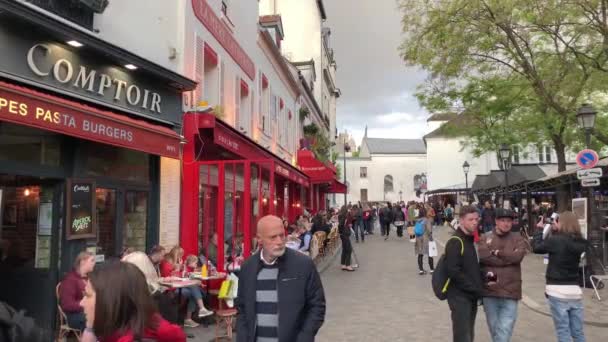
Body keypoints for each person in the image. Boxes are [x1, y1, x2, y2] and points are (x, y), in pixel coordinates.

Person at [236, 215, 326, 342]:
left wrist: (304, 337)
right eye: (273, 237)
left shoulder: (303, 264)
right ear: (259, 239)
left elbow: (317, 306)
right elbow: (242, 308)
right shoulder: (247, 268)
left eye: (282, 235)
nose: (279, 241)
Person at [79, 261, 186, 342]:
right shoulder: (119, 327)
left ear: (110, 299)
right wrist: (90, 327)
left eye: (88, 296)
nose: (81, 303)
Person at [532, 211, 588, 342]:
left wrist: (539, 230)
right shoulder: (581, 242)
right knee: (578, 331)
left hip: (556, 290)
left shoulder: (555, 240)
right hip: (575, 291)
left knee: (563, 330)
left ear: (561, 223)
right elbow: (567, 245)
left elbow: (537, 248)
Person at [478, 208, 527, 342]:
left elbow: (517, 257)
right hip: (490, 289)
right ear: (496, 221)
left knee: (504, 329)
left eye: (509, 221)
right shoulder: (485, 237)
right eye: (503, 220)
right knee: (494, 328)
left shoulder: (518, 238)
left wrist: (497, 253)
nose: (506, 223)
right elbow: (484, 257)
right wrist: (508, 258)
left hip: (511, 290)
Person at [445, 205, 484, 342]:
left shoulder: (470, 240)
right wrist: (475, 289)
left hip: (470, 296)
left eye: (476, 219)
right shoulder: (456, 242)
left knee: (469, 334)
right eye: (470, 219)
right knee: (463, 336)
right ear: (461, 220)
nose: (475, 222)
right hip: (460, 298)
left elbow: (474, 268)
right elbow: (453, 272)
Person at [159, 246, 213, 327]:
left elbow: (181, 275)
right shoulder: (166, 263)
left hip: (179, 286)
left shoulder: (175, 263)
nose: (181, 258)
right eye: (180, 256)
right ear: (176, 255)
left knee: (193, 290)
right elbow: (169, 278)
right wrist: (178, 270)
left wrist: (182, 269)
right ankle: (199, 310)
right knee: (194, 288)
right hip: (171, 288)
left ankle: (189, 318)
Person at [59, 251, 96, 331]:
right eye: (92, 260)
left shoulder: (89, 278)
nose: (94, 263)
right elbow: (67, 305)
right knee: (98, 320)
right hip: (75, 316)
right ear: (82, 262)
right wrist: (86, 303)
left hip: (87, 312)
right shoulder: (70, 280)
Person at [415, 210, 434, 275]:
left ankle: (421, 270)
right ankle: (431, 270)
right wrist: (431, 239)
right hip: (426, 239)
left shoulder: (417, 221)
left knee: (420, 254)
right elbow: (429, 231)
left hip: (418, 239)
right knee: (430, 254)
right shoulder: (426, 220)